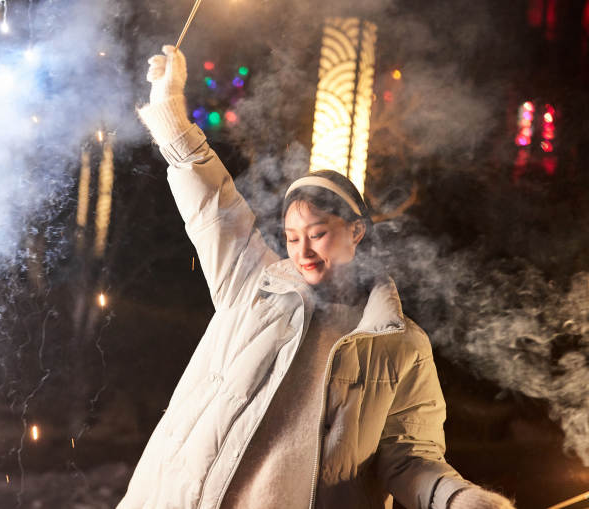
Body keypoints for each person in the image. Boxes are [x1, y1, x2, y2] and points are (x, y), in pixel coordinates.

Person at [118, 45, 516, 509]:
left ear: (356, 232)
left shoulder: (399, 346)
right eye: (290, 237)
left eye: (318, 234)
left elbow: (410, 459)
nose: (302, 251)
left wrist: (460, 501)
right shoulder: (254, 286)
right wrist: (170, 116)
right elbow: (213, 206)